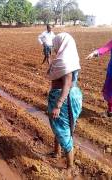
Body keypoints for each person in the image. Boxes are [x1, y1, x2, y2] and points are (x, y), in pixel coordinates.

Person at [47, 33, 82, 175]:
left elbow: (67, 84)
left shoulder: (66, 61)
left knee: (63, 130)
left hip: (64, 99)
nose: (54, 48)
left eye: (55, 45)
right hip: (65, 96)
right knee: (59, 127)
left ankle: (69, 166)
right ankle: (56, 152)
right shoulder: (66, 58)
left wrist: (58, 105)